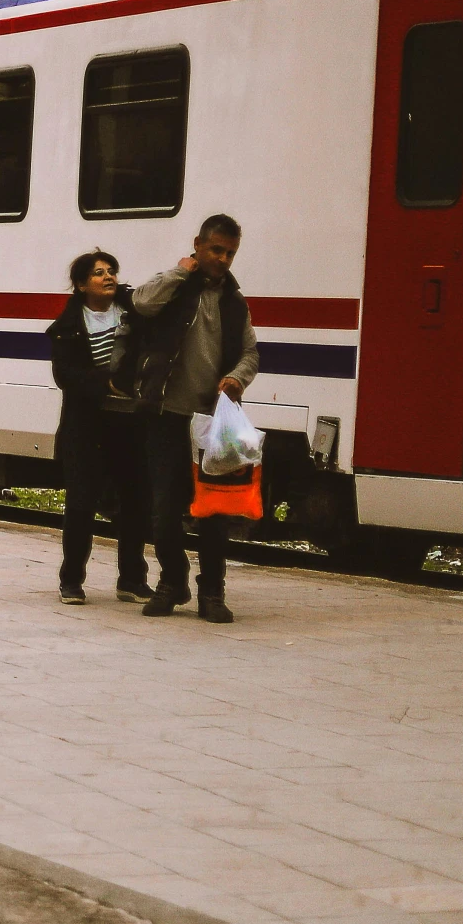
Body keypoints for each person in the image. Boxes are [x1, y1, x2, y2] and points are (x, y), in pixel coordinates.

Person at [130, 214, 259, 623]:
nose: (223, 259)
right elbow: (141, 301)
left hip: (211, 424)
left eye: (230, 253)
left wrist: (237, 378)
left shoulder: (235, 303)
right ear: (198, 245)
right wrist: (179, 271)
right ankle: (171, 582)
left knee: (214, 512)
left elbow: (250, 354)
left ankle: (212, 593)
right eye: (216, 249)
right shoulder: (173, 288)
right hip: (167, 414)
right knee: (164, 508)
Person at [47, 249, 150, 606]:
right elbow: (65, 375)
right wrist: (103, 382)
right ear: (80, 285)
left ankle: (132, 580)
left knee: (135, 500)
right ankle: (71, 580)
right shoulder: (67, 327)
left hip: (129, 421)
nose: (108, 277)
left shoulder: (134, 311)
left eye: (111, 271)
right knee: (81, 504)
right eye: (98, 273)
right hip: (86, 425)